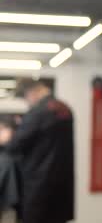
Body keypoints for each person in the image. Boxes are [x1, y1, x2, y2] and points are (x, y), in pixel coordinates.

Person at [0, 79, 75, 223]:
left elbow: (16, 144)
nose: (28, 103)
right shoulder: (64, 108)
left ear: (32, 93)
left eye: (26, 98)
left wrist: (5, 139)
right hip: (61, 187)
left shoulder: (39, 112)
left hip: (39, 186)